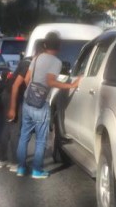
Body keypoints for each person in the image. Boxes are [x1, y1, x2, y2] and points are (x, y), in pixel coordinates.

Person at [8, 31, 81, 179]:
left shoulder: (37, 57)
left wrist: (33, 92)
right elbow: (50, 81)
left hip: (28, 101)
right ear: (59, 46)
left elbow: (27, 79)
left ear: (45, 44)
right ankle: (37, 170)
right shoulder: (56, 62)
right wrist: (71, 85)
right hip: (41, 104)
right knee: (41, 139)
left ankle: (21, 168)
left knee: (24, 136)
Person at [0, 57, 30, 170]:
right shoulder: (29, 65)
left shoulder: (26, 61)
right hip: (14, 96)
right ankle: (15, 162)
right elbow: (23, 83)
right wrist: (13, 108)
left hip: (6, 94)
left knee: (7, 127)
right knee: (15, 129)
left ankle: (3, 159)